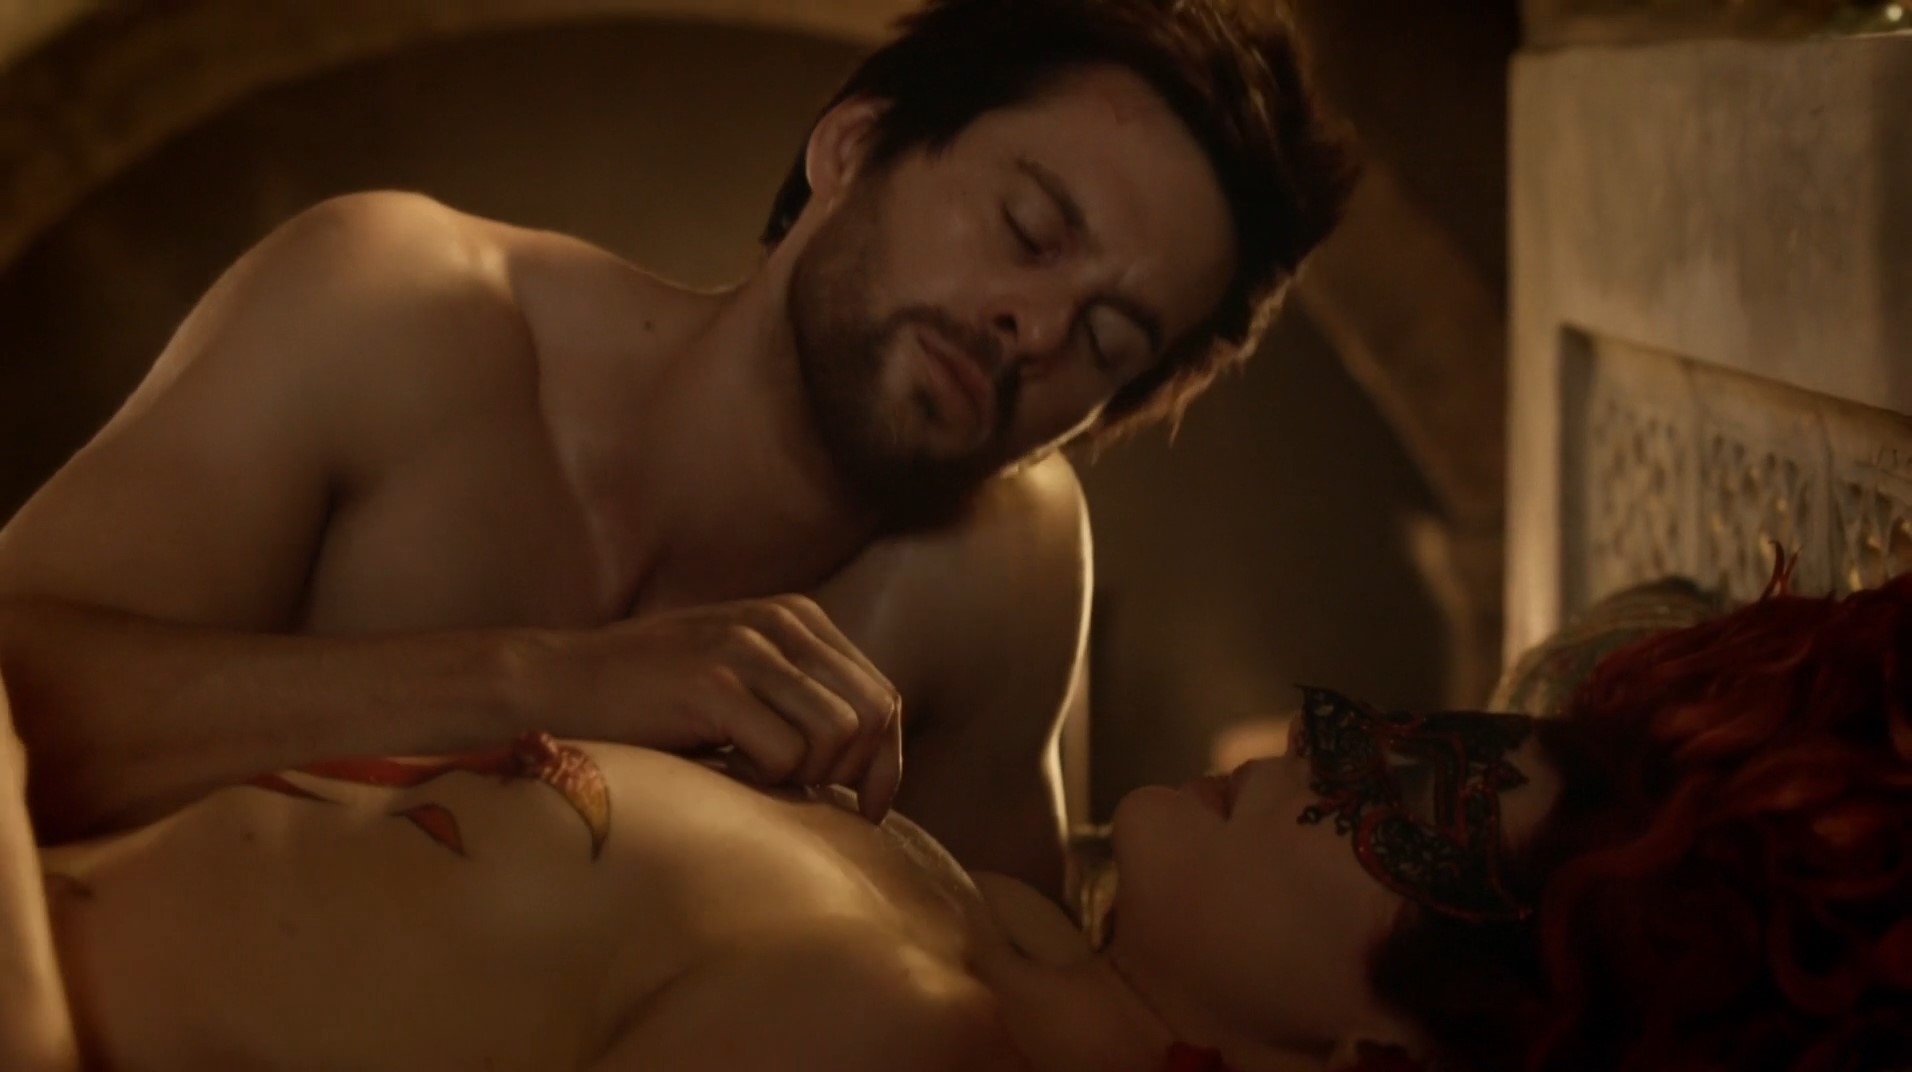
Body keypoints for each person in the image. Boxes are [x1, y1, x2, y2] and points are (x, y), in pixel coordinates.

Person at [0, 0, 1357, 896]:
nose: (1036, 327)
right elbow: (19, 687)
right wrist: (549, 683)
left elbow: (997, 1011)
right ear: (854, 146)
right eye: (1030, 228)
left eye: (1109, 340)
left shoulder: (997, 575)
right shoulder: (399, 310)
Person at [5, 565, 1905, 1071]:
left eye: (1407, 800)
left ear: (1373, 1057)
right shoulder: (933, 892)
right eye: (1401, 731)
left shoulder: (890, 1042)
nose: (1330, 744)